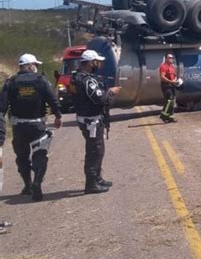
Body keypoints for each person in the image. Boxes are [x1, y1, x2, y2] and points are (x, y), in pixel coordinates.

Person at [0, 53, 62, 201]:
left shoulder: (11, 82)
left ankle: (27, 185)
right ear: (29, 65)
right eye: (35, 65)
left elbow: (2, 107)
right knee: (40, 154)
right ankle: (37, 183)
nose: (36, 67)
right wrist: (58, 115)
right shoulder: (41, 81)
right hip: (37, 125)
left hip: (18, 126)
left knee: (22, 157)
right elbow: (52, 99)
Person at [71, 50, 121, 194]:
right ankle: (91, 183)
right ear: (90, 62)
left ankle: (97, 178)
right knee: (95, 151)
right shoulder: (86, 80)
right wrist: (111, 92)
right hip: (91, 121)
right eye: (97, 61)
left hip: (87, 119)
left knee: (98, 150)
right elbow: (99, 99)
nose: (99, 64)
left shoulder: (78, 77)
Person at [158, 53, 178, 123]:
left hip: (172, 85)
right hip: (166, 85)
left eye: (172, 58)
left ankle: (170, 117)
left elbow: (175, 75)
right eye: (169, 58)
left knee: (173, 101)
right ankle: (163, 115)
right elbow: (162, 77)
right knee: (169, 101)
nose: (171, 59)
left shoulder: (172, 67)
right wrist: (170, 81)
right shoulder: (163, 67)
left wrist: (175, 80)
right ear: (166, 59)